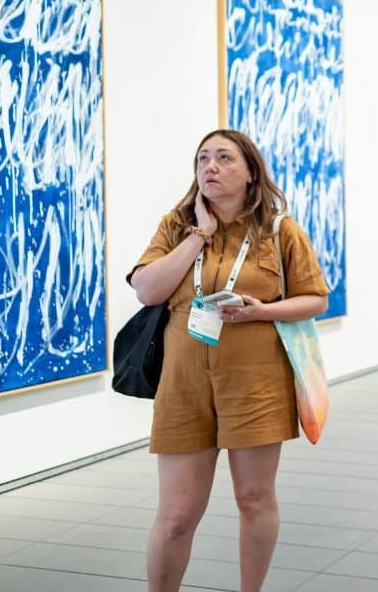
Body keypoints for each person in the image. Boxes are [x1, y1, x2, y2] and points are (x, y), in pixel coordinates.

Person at [129, 129, 329, 592]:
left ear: (251, 172)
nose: (210, 167)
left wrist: (263, 312)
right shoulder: (176, 226)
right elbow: (147, 290)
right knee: (175, 516)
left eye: (224, 158)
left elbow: (315, 298)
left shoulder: (280, 231)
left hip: (256, 383)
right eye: (203, 159)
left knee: (254, 500)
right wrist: (199, 235)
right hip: (183, 387)